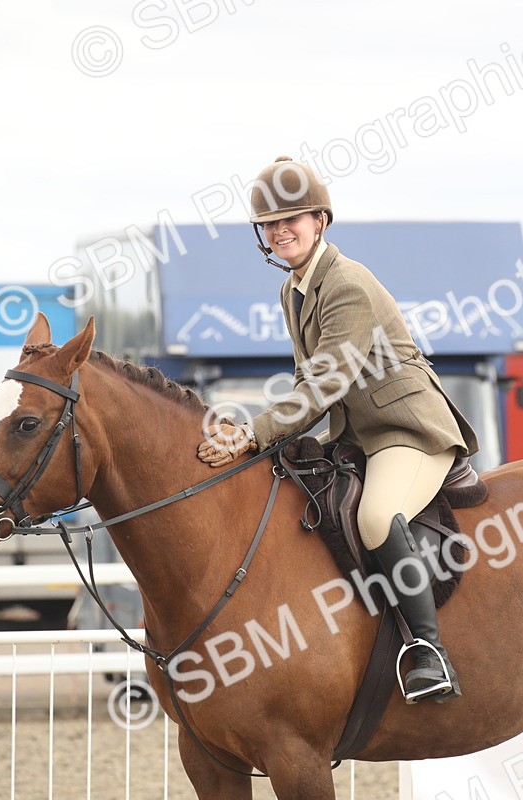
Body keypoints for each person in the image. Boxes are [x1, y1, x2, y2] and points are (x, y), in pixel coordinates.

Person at [196, 155, 479, 704]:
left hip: (407, 429)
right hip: (357, 433)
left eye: (292, 220)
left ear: (319, 220)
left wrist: (252, 432)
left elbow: (322, 386)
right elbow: (310, 378)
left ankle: (429, 650)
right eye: (270, 225)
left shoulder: (346, 283)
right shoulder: (294, 288)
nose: (281, 232)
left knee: (376, 517)